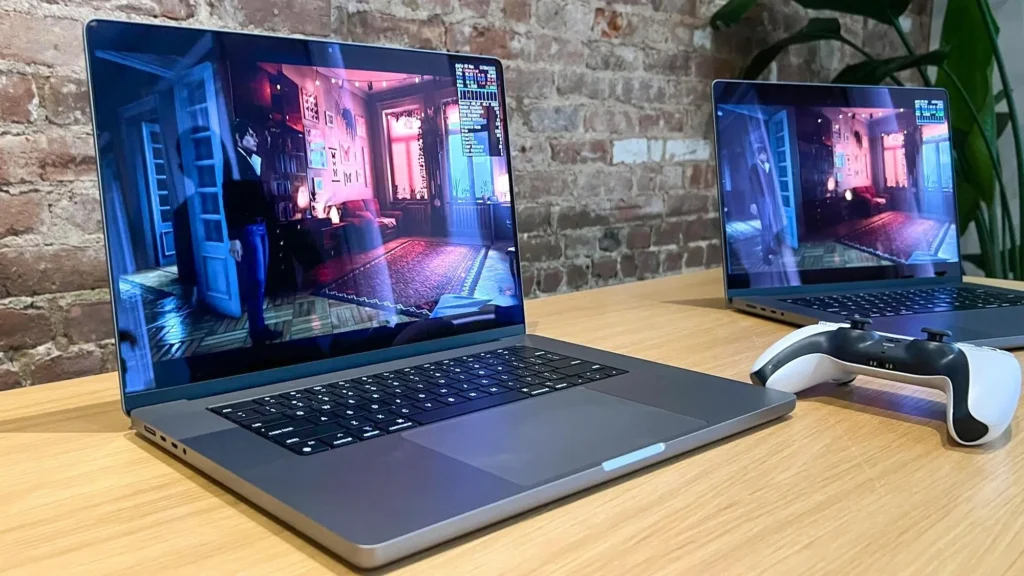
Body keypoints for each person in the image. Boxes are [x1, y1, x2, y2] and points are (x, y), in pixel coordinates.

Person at [223, 119, 281, 344]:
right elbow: (229, 200)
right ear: (238, 139)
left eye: (255, 135)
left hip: (261, 226)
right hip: (247, 229)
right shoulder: (234, 162)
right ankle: (257, 331)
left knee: (261, 278)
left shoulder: (251, 160)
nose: (255, 138)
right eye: (250, 135)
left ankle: (259, 326)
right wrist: (233, 237)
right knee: (255, 280)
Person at [748, 144, 786, 267]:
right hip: (761, 200)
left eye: (765, 153)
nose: (766, 155)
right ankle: (764, 256)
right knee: (765, 227)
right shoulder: (753, 168)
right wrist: (752, 203)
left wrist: (767, 169)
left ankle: (769, 248)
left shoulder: (766, 166)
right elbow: (753, 187)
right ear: (758, 155)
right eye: (763, 153)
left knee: (770, 225)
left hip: (769, 200)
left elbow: (770, 183)